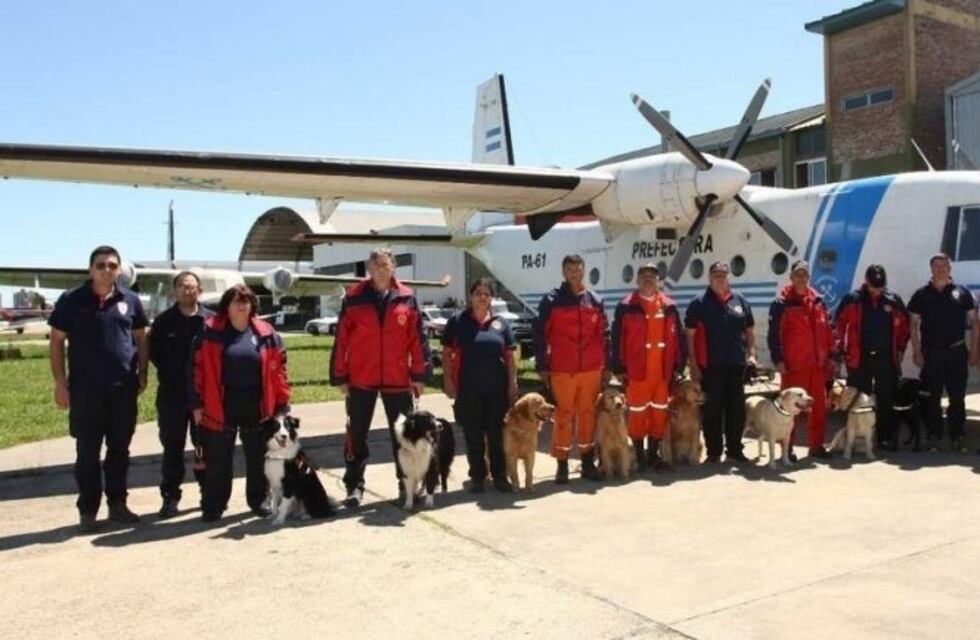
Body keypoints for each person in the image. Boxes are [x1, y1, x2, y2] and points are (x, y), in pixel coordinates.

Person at [48, 245, 149, 533]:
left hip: (122, 390)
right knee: (87, 453)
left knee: (120, 450)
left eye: (112, 265)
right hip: (85, 392)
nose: (107, 270)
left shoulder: (130, 300)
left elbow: (141, 338)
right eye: (101, 265)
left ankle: (117, 504)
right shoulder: (71, 300)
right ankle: (88, 510)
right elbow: (56, 341)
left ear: (119, 270)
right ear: (90, 270)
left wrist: (143, 372)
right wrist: (60, 382)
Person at [330, 248, 431, 507]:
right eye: (375, 265)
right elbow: (341, 339)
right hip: (361, 379)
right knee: (357, 436)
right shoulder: (353, 298)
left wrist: (419, 374)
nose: (380, 269)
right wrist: (340, 375)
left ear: (393, 267)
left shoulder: (407, 297)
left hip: (398, 379)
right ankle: (354, 487)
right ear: (368, 268)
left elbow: (418, 340)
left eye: (385, 264)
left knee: (403, 436)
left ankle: (406, 484)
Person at [190, 284, 290, 522]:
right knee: (218, 458)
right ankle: (214, 504)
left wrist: (282, 403)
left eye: (246, 300)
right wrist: (196, 403)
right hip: (220, 403)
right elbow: (196, 369)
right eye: (237, 300)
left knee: (258, 456)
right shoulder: (210, 331)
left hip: (257, 403)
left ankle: (258, 500)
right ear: (227, 306)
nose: (242, 304)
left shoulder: (267, 333)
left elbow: (279, 370)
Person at [534, 254, 609, 484]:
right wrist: (542, 365)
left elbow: (604, 335)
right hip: (562, 369)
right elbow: (540, 334)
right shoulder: (551, 300)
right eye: (569, 269)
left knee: (588, 414)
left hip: (591, 369)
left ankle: (587, 462)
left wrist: (606, 366)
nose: (574, 273)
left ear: (583, 271)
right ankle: (562, 464)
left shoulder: (595, 300)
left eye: (577, 269)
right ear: (563, 272)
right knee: (563, 415)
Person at [442, 278, 518, 493]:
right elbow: (447, 354)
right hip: (468, 390)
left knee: (496, 435)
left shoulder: (501, 324)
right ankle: (477, 476)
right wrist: (447, 380)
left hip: (496, 391)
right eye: (478, 293)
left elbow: (511, 357)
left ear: (491, 297)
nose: (482, 297)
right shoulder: (458, 321)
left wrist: (512, 383)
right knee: (473, 435)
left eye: (486, 293)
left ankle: (500, 476)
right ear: (471, 296)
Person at [149, 271, 213, 518]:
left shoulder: (211, 321)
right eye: (182, 287)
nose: (188, 291)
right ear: (174, 291)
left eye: (192, 287)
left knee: (205, 446)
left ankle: (208, 492)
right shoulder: (164, 322)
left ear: (200, 291)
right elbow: (155, 354)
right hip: (172, 396)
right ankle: (170, 496)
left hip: (203, 397)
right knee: (172, 448)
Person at [610, 263, 685, 472]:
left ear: (658, 280)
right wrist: (618, 366)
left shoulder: (669, 306)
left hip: (662, 372)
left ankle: (654, 455)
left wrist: (679, 366)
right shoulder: (626, 306)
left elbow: (678, 338)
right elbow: (616, 339)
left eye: (652, 276)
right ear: (637, 280)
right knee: (637, 414)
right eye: (643, 275)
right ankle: (640, 456)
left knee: (659, 413)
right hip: (636, 372)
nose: (647, 279)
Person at [684, 261, 756, 464]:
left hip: (736, 366)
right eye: (716, 274)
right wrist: (693, 364)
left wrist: (752, 355)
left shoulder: (740, 301)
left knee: (737, 411)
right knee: (712, 411)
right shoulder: (699, 303)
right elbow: (689, 335)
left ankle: (734, 450)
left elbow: (749, 330)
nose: (720, 278)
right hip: (710, 367)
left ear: (728, 277)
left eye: (723, 274)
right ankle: (714, 452)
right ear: (709, 277)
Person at [907, 253, 979, 453]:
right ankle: (934, 435)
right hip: (932, 354)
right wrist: (917, 350)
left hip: (957, 352)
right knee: (932, 397)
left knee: (957, 397)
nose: (940, 269)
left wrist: (974, 351)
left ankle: (957, 436)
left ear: (950, 268)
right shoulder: (921, 294)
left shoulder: (962, 293)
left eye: (944, 265)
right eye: (936, 266)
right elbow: (913, 323)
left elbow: (975, 322)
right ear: (931, 269)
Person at [833, 265, 910, 450]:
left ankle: (884, 438)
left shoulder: (893, 300)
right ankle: (857, 440)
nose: (877, 290)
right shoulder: (852, 299)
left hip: (886, 358)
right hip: (859, 358)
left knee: (886, 399)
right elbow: (838, 324)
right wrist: (839, 350)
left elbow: (905, 326)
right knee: (858, 400)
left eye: (880, 286)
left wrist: (900, 348)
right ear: (866, 282)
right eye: (874, 286)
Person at [767, 260, 835, 460]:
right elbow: (774, 335)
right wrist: (778, 359)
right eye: (797, 274)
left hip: (817, 366)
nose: (801, 278)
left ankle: (816, 446)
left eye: (804, 274)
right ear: (791, 277)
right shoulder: (782, 303)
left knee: (818, 408)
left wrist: (831, 354)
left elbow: (827, 330)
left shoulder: (818, 301)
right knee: (789, 409)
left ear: (809, 277)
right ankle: (787, 448)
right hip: (794, 366)